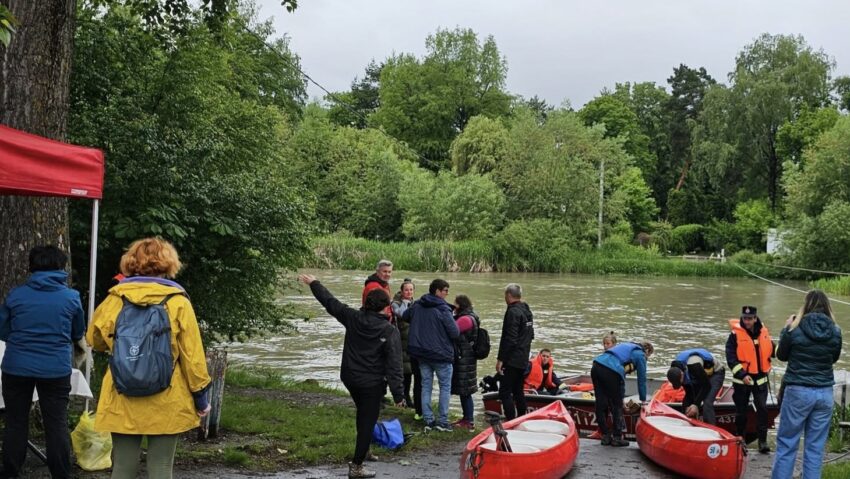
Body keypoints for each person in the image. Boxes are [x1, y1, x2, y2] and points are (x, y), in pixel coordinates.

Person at [87, 238, 212, 479]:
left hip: (122, 392)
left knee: (123, 466)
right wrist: (201, 398)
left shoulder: (115, 298)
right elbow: (192, 356)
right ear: (170, 264)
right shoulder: (178, 301)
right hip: (167, 396)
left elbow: (95, 339)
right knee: (161, 467)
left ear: (130, 262)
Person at [298, 274, 403, 479]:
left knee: (364, 415)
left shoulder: (353, 318)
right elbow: (394, 365)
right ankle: (357, 466)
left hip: (350, 378)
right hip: (371, 383)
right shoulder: (389, 331)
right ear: (386, 307)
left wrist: (314, 283)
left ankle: (365, 450)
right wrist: (398, 394)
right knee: (367, 420)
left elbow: (330, 302)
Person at [0, 246, 85, 479]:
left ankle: (10, 472)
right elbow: (78, 332)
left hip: (16, 366)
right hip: (55, 368)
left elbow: (3, 331)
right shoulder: (71, 298)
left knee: (16, 421)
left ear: (31, 267)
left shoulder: (15, 295)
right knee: (56, 422)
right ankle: (61, 474)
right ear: (61, 267)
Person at [771, 290, 842, 479]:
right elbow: (833, 358)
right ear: (828, 306)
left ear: (806, 304)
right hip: (825, 393)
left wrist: (785, 329)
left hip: (798, 391)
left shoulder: (794, 327)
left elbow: (781, 355)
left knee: (787, 444)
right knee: (815, 448)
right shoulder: (835, 331)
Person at [406, 279, 459, 432]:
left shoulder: (417, 305)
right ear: (437, 291)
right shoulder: (443, 309)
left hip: (422, 353)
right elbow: (454, 332)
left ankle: (428, 419)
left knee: (426, 386)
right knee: (444, 387)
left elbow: (404, 315)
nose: (447, 293)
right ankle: (442, 421)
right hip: (441, 354)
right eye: (445, 290)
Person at [726, 305, 773, 453]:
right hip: (742, 381)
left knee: (763, 410)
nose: (747, 321)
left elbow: (772, 349)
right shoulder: (734, 335)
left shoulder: (763, 332)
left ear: (755, 318)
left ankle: (763, 442)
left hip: (760, 380)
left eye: (750, 318)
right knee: (741, 412)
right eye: (745, 318)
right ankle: (740, 440)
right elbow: (731, 358)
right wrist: (742, 375)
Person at [591, 341, 654, 447]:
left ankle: (605, 436)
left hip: (596, 366)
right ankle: (617, 437)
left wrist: (621, 396)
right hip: (611, 371)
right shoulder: (640, 354)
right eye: (649, 356)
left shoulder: (626, 347)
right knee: (617, 405)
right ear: (647, 351)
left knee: (601, 403)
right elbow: (641, 380)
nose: (647, 358)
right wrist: (643, 402)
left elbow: (621, 373)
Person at [496, 283, 534, 420]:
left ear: (508, 295)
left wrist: (501, 360)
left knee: (505, 391)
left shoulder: (512, 312)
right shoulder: (526, 309)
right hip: (524, 357)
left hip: (512, 359)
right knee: (518, 390)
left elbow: (510, 339)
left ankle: (510, 419)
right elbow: (531, 334)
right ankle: (522, 418)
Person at [666, 348, 726, 424]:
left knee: (707, 402)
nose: (680, 384)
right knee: (687, 403)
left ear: (682, 374)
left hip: (716, 374)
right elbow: (689, 392)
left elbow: (706, 386)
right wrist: (690, 405)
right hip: (700, 376)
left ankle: (711, 429)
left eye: (679, 382)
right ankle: (688, 425)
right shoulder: (676, 369)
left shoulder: (694, 366)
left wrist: (696, 405)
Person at [451, 294, 479, 430]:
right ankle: (466, 418)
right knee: (465, 391)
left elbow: (451, 331)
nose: (453, 306)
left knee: (465, 391)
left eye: (455, 304)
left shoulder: (465, 320)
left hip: (464, 359)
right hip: (467, 359)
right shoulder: (470, 316)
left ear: (460, 305)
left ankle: (469, 420)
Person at [391, 279, 418, 414]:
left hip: (412, 342)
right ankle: (401, 398)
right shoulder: (396, 304)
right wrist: (406, 303)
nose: (409, 292)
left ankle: (407, 397)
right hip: (400, 341)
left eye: (411, 290)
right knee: (401, 372)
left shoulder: (416, 303)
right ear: (401, 291)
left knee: (410, 372)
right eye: (406, 290)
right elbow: (401, 314)